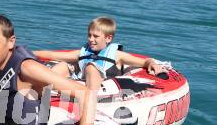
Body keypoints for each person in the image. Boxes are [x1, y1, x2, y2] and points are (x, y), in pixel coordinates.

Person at [33, 16, 166, 94]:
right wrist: (28, 53)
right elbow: (51, 54)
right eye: (89, 35)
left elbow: (144, 62)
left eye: (95, 36)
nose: (91, 39)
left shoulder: (117, 55)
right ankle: (38, 91)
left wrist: (152, 64)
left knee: (91, 67)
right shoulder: (83, 52)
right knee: (62, 65)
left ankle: (89, 98)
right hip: (78, 81)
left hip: (101, 87)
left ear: (108, 38)